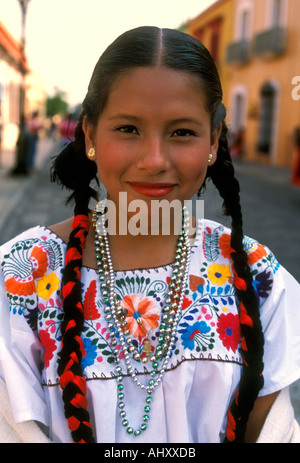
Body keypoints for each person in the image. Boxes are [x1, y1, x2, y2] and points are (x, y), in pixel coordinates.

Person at [0, 26, 300, 444]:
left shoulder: (258, 278)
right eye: (128, 129)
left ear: (213, 141)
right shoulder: (21, 278)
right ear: (89, 134)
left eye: (182, 132)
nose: (154, 160)